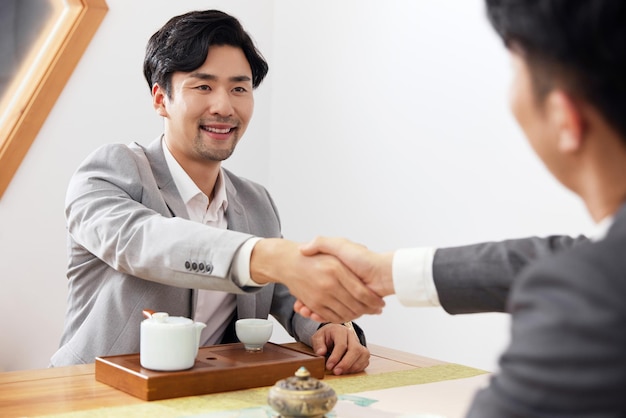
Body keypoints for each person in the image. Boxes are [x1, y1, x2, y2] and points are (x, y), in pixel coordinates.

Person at [297, 0, 626, 415]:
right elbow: (573, 256)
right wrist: (386, 272)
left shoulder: (589, 301)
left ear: (564, 118)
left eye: (515, 71)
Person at [50, 9, 384, 375]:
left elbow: (282, 289)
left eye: (239, 88)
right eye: (203, 86)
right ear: (161, 99)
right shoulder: (112, 170)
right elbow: (143, 242)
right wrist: (265, 253)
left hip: (209, 395)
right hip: (94, 394)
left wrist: (327, 325)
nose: (224, 107)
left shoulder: (256, 201)